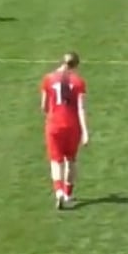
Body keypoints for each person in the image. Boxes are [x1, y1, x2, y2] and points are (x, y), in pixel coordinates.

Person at [40, 52, 89, 209]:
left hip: (54, 125)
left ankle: (59, 192)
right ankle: (68, 193)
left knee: (56, 161)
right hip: (72, 126)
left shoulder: (48, 79)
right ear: (75, 65)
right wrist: (85, 131)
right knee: (71, 160)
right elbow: (81, 108)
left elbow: (44, 106)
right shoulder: (79, 82)